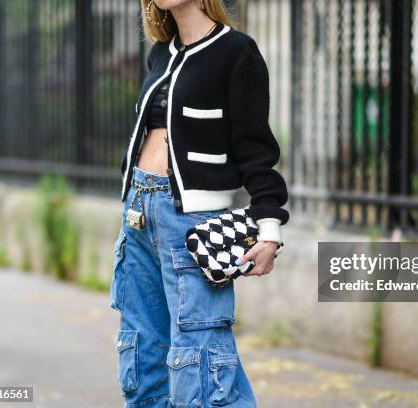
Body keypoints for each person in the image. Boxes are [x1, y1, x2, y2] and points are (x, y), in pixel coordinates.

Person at [109, 0, 289, 407]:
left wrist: (269, 230)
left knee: (200, 358)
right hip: (138, 214)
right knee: (142, 350)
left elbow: (255, 148)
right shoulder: (161, 53)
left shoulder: (236, 51)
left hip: (190, 222)